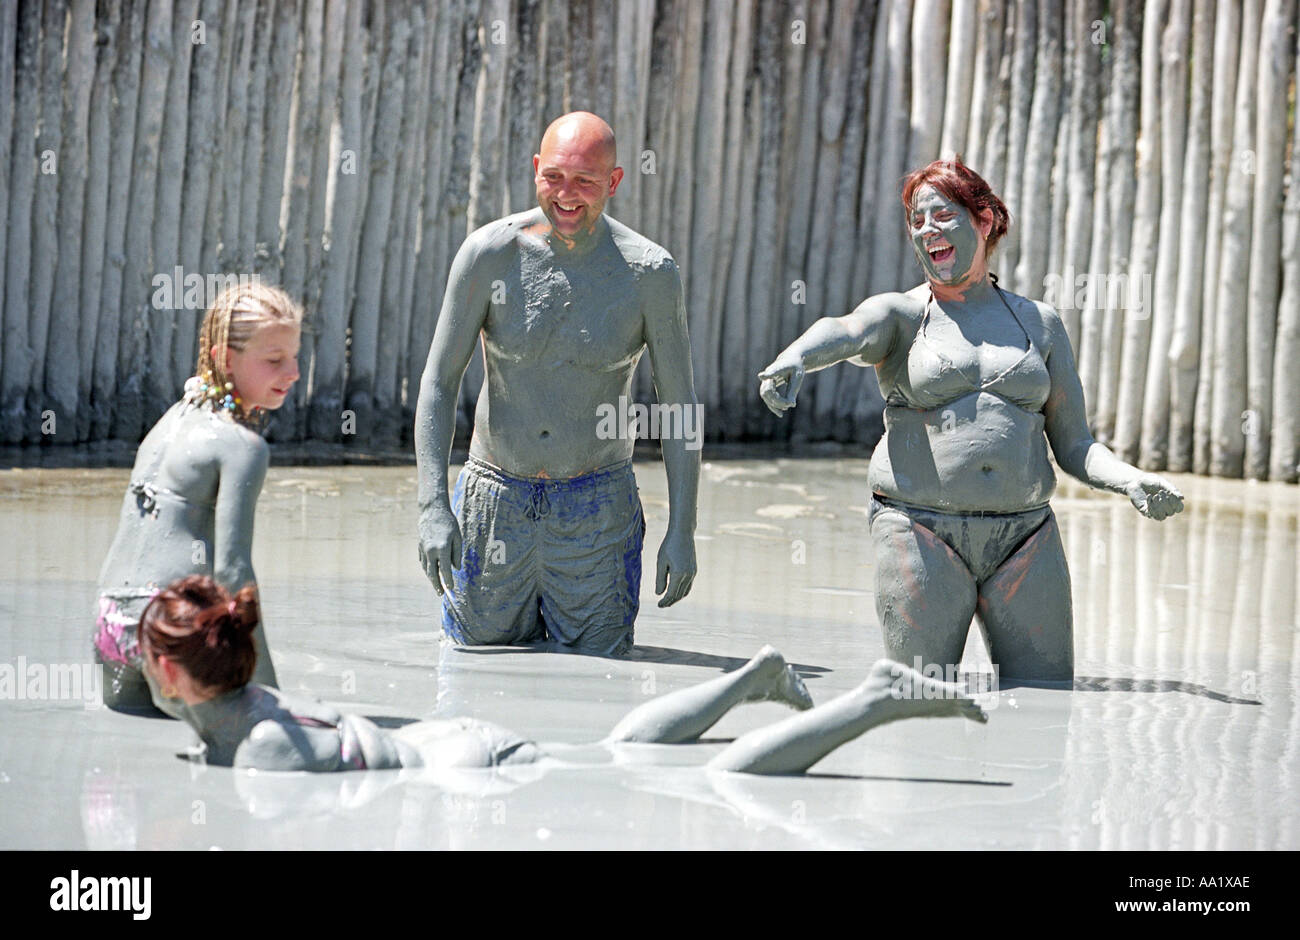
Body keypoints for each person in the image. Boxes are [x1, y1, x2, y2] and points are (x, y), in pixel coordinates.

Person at [757, 157, 1184, 682]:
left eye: (941, 216)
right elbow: (845, 330)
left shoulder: (1040, 324)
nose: (926, 230)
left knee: (1046, 701)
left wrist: (1132, 480)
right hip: (920, 531)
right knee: (919, 698)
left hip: (1025, 537)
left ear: (984, 220)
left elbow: (1076, 446)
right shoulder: (902, 314)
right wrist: (798, 356)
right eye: (916, 221)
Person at [139, 575, 988, 775]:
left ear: (175, 675)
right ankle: (749, 681)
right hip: (456, 745)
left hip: (465, 775)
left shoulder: (256, 753)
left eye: (143, 654)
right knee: (617, 757)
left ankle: (873, 701)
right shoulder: (256, 704)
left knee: (716, 788)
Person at [415, 111, 700, 657]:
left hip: (596, 508)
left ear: (613, 182)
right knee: (475, 668)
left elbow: (680, 407)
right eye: (554, 178)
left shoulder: (648, 272)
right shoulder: (489, 254)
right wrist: (432, 505)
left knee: (599, 675)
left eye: (585, 182)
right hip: (494, 498)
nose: (567, 196)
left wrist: (683, 529)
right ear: (535, 170)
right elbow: (438, 382)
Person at [94, 281, 303, 715]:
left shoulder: (168, 423)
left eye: (295, 356)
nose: (293, 372)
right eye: (275, 360)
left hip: (111, 627)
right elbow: (233, 571)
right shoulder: (242, 446)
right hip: (172, 635)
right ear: (225, 359)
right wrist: (270, 696)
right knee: (262, 733)